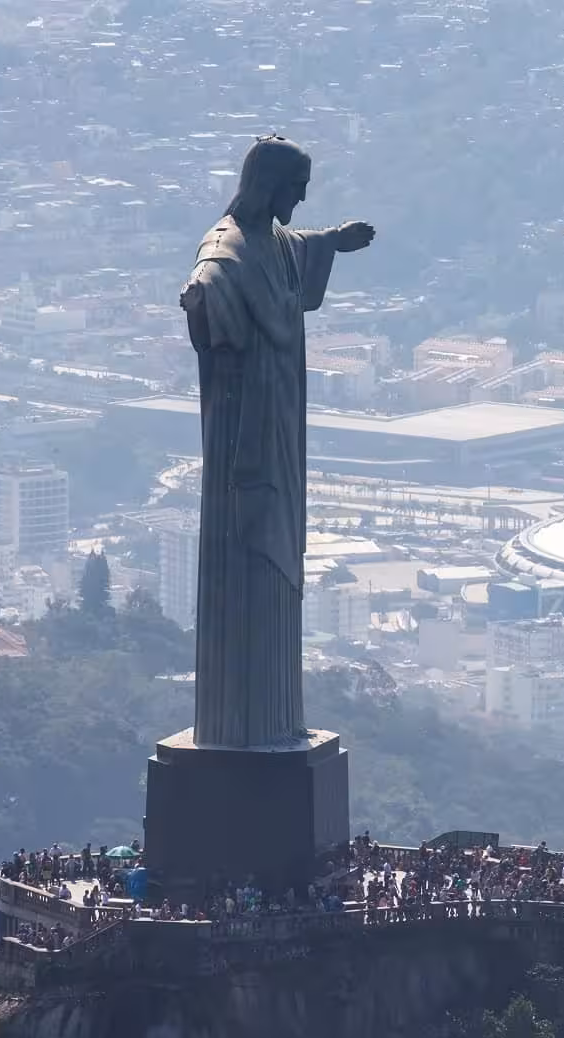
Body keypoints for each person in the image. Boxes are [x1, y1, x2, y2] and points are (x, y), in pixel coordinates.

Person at [180, 134, 375, 748]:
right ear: (270, 185)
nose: (302, 197)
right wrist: (200, 299)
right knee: (248, 544)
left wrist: (332, 241)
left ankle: (273, 720)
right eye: (297, 187)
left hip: (279, 413)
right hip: (248, 427)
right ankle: (244, 728)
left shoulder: (270, 239)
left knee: (279, 551)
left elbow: (291, 245)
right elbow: (212, 276)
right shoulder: (226, 248)